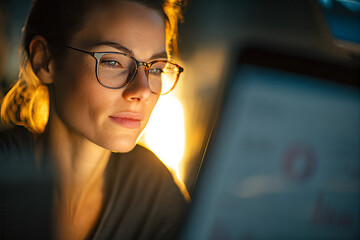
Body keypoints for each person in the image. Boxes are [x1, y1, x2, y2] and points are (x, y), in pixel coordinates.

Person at [0, 0, 188, 239]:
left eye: (155, 69)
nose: (142, 90)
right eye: (113, 61)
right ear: (45, 60)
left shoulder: (153, 190)